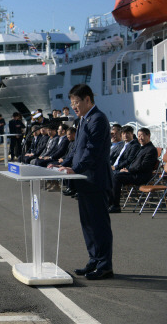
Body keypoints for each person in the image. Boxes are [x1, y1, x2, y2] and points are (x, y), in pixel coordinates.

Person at [53, 84, 114, 280]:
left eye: (76, 102)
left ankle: (104, 265)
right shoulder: (83, 120)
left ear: (87, 99)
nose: (74, 107)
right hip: (84, 181)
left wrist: (75, 169)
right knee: (88, 224)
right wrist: (61, 164)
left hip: (95, 179)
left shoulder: (98, 119)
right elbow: (76, 150)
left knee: (99, 225)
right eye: (72, 104)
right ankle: (94, 260)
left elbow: (92, 151)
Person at [109, 127, 157, 213]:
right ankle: (110, 203)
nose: (140, 138)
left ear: (148, 136)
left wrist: (129, 170)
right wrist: (126, 169)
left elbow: (143, 166)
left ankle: (115, 206)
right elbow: (133, 163)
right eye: (138, 136)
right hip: (134, 173)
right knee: (114, 175)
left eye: (142, 135)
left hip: (141, 176)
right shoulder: (142, 148)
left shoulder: (151, 150)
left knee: (116, 177)